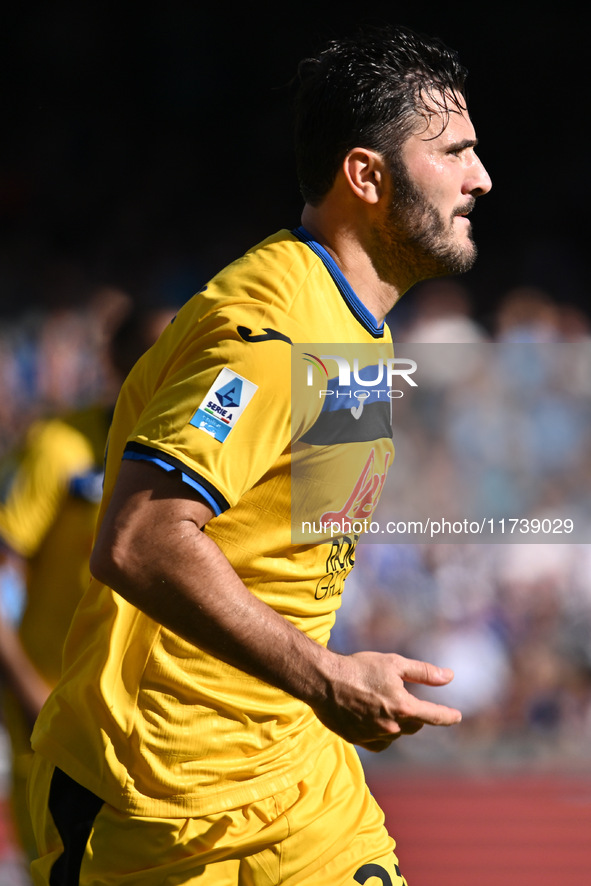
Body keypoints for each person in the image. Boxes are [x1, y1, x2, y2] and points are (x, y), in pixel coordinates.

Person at [28, 25, 491, 885]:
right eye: (456, 153)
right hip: (160, 807)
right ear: (366, 175)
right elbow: (140, 539)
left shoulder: (357, 330)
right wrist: (325, 679)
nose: (481, 178)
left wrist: (330, 676)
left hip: (297, 784)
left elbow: (284, 550)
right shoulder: (271, 330)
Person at [0, 299, 174, 863]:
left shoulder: (193, 456)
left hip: (151, 723)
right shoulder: (58, 446)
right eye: (154, 350)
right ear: (118, 360)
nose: (171, 363)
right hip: (56, 713)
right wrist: (28, 688)